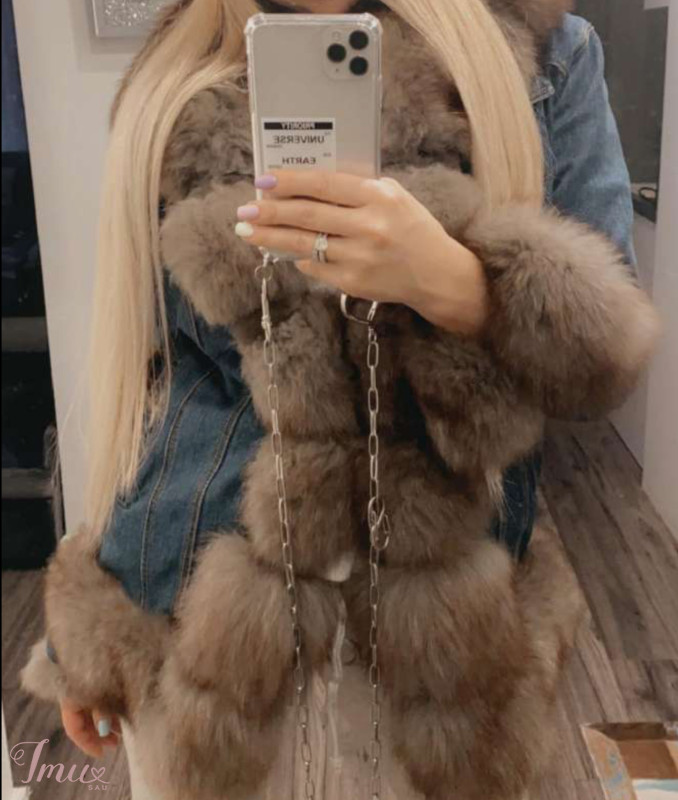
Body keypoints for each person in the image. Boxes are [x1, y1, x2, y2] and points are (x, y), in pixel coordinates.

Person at [21, 1, 658, 798]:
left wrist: (461, 284)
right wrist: (87, 634)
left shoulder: (544, 55)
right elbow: (155, 383)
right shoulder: (181, 65)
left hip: (450, 660)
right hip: (200, 657)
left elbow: (606, 364)